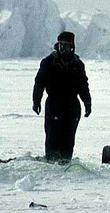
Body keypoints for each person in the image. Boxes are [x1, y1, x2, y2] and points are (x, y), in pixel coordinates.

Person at [32, 31, 92, 163]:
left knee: (69, 137)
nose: (63, 48)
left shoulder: (78, 64)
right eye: (61, 45)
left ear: (72, 47)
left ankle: (65, 162)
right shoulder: (48, 62)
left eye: (66, 45)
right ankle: (51, 163)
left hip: (72, 105)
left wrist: (87, 102)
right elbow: (39, 82)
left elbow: (83, 85)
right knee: (53, 136)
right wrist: (36, 101)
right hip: (54, 103)